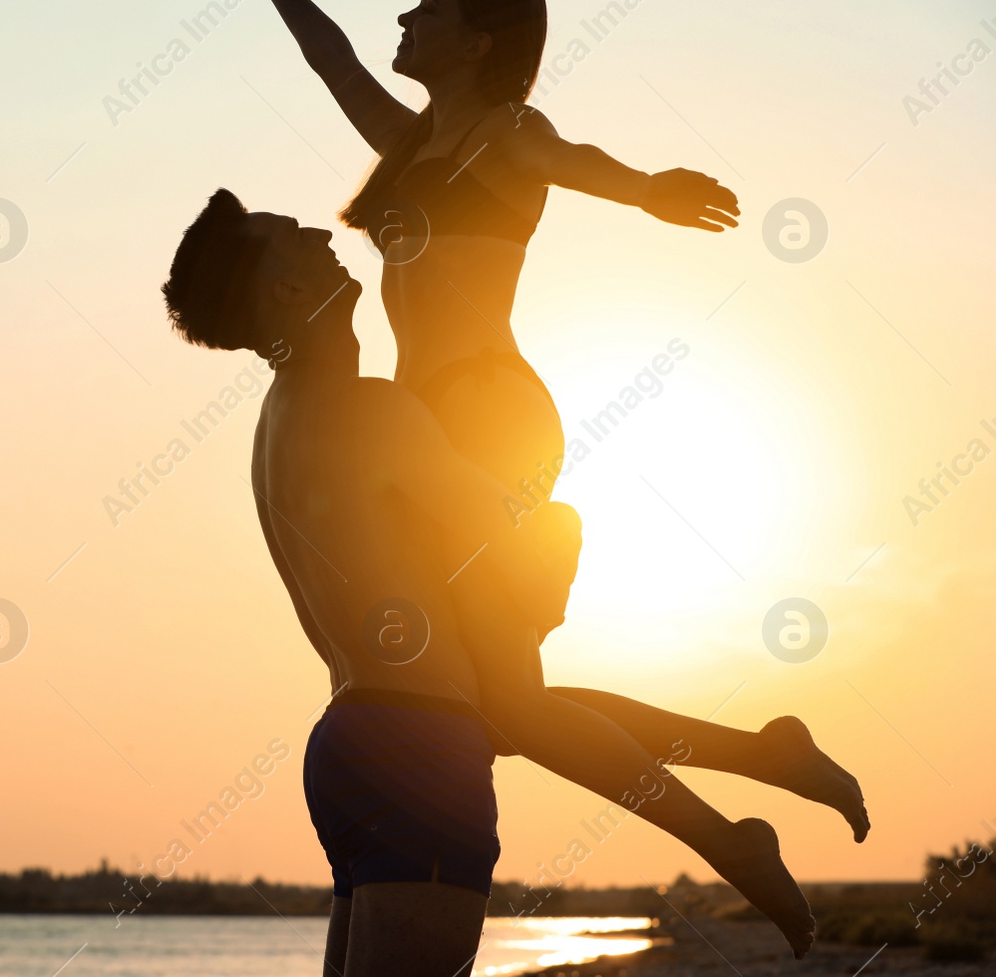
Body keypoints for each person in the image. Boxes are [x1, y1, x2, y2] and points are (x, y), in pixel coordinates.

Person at [161, 190, 867, 974]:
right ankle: (736, 825)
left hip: (354, 744)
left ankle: (756, 781)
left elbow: (514, 707)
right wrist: (553, 532)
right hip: (418, 751)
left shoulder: (281, 419)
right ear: (286, 293)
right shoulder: (368, 410)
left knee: (514, 701)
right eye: (290, 235)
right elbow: (508, 527)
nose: (319, 230)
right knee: (517, 695)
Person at [247, 0, 739, 540]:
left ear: (475, 45)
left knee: (493, 606)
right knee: (438, 610)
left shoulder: (506, 130)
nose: (405, 21)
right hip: (420, 401)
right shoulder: (407, 144)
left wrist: (645, 190)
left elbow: (568, 160)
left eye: (426, 10)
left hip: (485, 397)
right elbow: (332, 61)